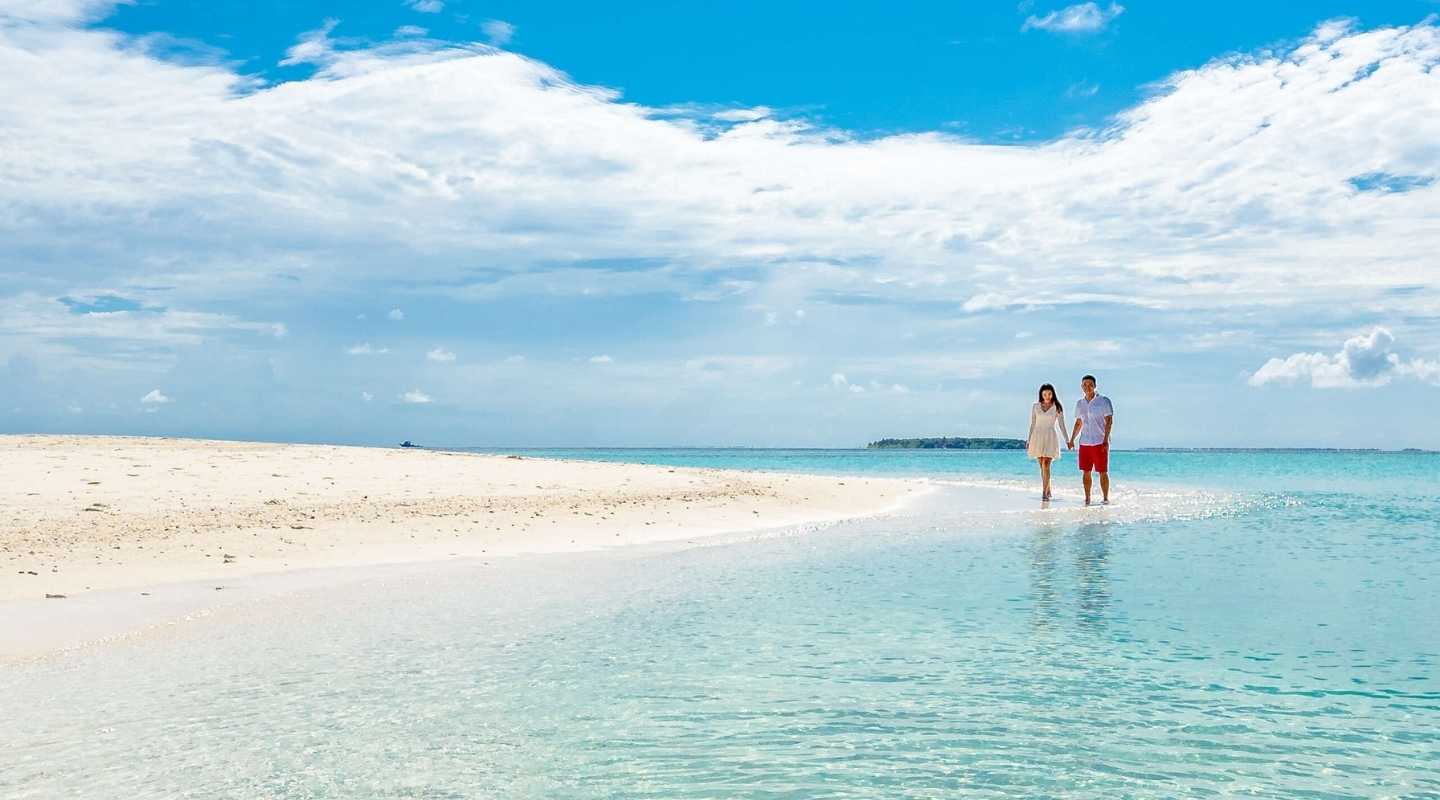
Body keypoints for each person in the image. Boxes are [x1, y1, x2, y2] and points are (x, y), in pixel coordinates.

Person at [1067, 374, 1114, 505]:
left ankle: (1105, 498)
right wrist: (1072, 440)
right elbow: (1078, 423)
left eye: (1090, 384)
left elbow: (1109, 421)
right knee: (1086, 471)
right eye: (1085, 385)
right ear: (1082, 387)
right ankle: (1087, 498)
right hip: (1085, 442)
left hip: (1100, 442)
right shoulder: (1080, 404)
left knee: (1102, 471)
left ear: (1095, 386)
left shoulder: (1104, 401)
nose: (1087, 387)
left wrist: (1105, 440)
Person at [1025, 383, 1066, 501]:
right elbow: (1032, 424)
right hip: (1037, 436)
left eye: (1049, 394)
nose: (1047, 396)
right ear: (1041, 395)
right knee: (1041, 465)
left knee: (1046, 464)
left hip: (1050, 436)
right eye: (1044, 394)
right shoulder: (1035, 406)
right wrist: (1029, 439)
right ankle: (1048, 488)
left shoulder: (1057, 406)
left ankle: (1044, 492)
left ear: (1053, 394)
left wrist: (1067, 439)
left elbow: (1061, 425)